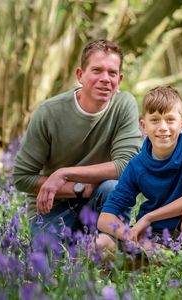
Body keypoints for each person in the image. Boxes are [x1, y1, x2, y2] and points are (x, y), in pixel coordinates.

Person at [13, 39, 142, 241]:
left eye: (112, 73)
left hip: (102, 202)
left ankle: (115, 249)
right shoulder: (49, 113)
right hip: (54, 208)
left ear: (120, 79)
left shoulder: (124, 105)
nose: (105, 79)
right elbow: (22, 177)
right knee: (52, 267)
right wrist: (81, 189)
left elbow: (127, 166)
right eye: (97, 70)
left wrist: (64, 173)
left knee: (113, 188)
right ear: (80, 75)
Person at [95, 86, 182, 253]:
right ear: (143, 126)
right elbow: (105, 218)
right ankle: (154, 259)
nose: (163, 127)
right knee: (101, 243)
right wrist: (131, 235)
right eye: (155, 120)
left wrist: (149, 217)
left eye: (170, 120)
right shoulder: (137, 165)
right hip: (151, 236)